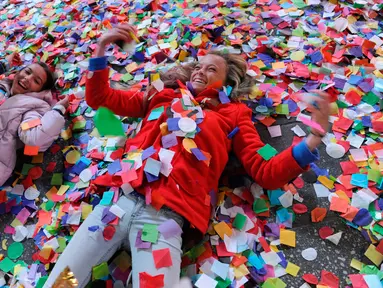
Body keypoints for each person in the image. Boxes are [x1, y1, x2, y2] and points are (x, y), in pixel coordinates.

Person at [46, 25, 330, 288]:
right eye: (198, 66)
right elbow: (100, 98)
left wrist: (313, 138)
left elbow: (265, 170)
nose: (199, 72)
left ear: (226, 83)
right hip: (114, 206)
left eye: (210, 70)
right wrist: (101, 49)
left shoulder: (234, 115)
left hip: (163, 221)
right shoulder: (162, 94)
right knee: (61, 282)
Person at [0, 60, 69, 186]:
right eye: (27, 72)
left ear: (40, 91)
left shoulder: (32, 107)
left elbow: (35, 138)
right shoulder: (3, 86)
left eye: (36, 81)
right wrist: (4, 64)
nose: (27, 78)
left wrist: (58, 110)